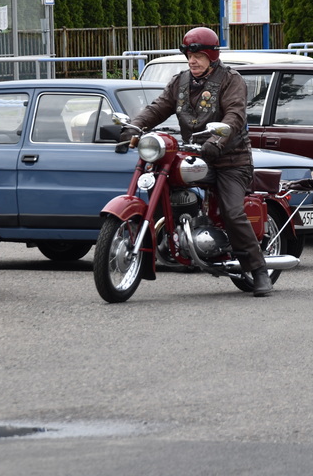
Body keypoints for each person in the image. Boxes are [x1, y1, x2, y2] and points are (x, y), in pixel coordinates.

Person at [116, 27, 273, 297]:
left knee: (232, 211)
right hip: (196, 154)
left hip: (230, 160)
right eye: (189, 54)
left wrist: (217, 142)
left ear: (211, 56)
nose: (192, 60)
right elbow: (157, 107)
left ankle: (258, 270)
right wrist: (134, 127)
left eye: (198, 55)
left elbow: (235, 115)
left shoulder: (230, 80)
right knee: (159, 181)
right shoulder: (180, 82)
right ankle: (172, 239)